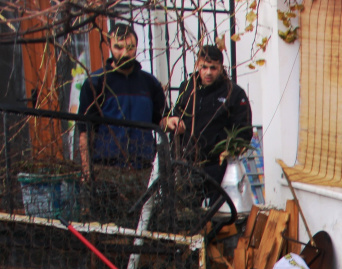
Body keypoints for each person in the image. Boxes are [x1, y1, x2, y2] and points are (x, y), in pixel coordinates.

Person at [76, 23, 167, 178]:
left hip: (141, 167)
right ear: (109, 47)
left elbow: (161, 119)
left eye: (130, 47)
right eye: (118, 47)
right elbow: (85, 130)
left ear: (136, 47)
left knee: (137, 203)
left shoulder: (149, 83)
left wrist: (172, 121)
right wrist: (86, 169)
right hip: (105, 167)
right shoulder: (96, 83)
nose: (125, 53)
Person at [161, 45, 253, 190]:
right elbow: (177, 114)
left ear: (221, 68)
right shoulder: (187, 88)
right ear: (197, 66)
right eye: (204, 67)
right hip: (187, 163)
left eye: (213, 68)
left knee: (218, 210)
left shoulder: (233, 93)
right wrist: (174, 123)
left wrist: (230, 150)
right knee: (188, 209)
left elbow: (244, 131)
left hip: (218, 166)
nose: (208, 72)